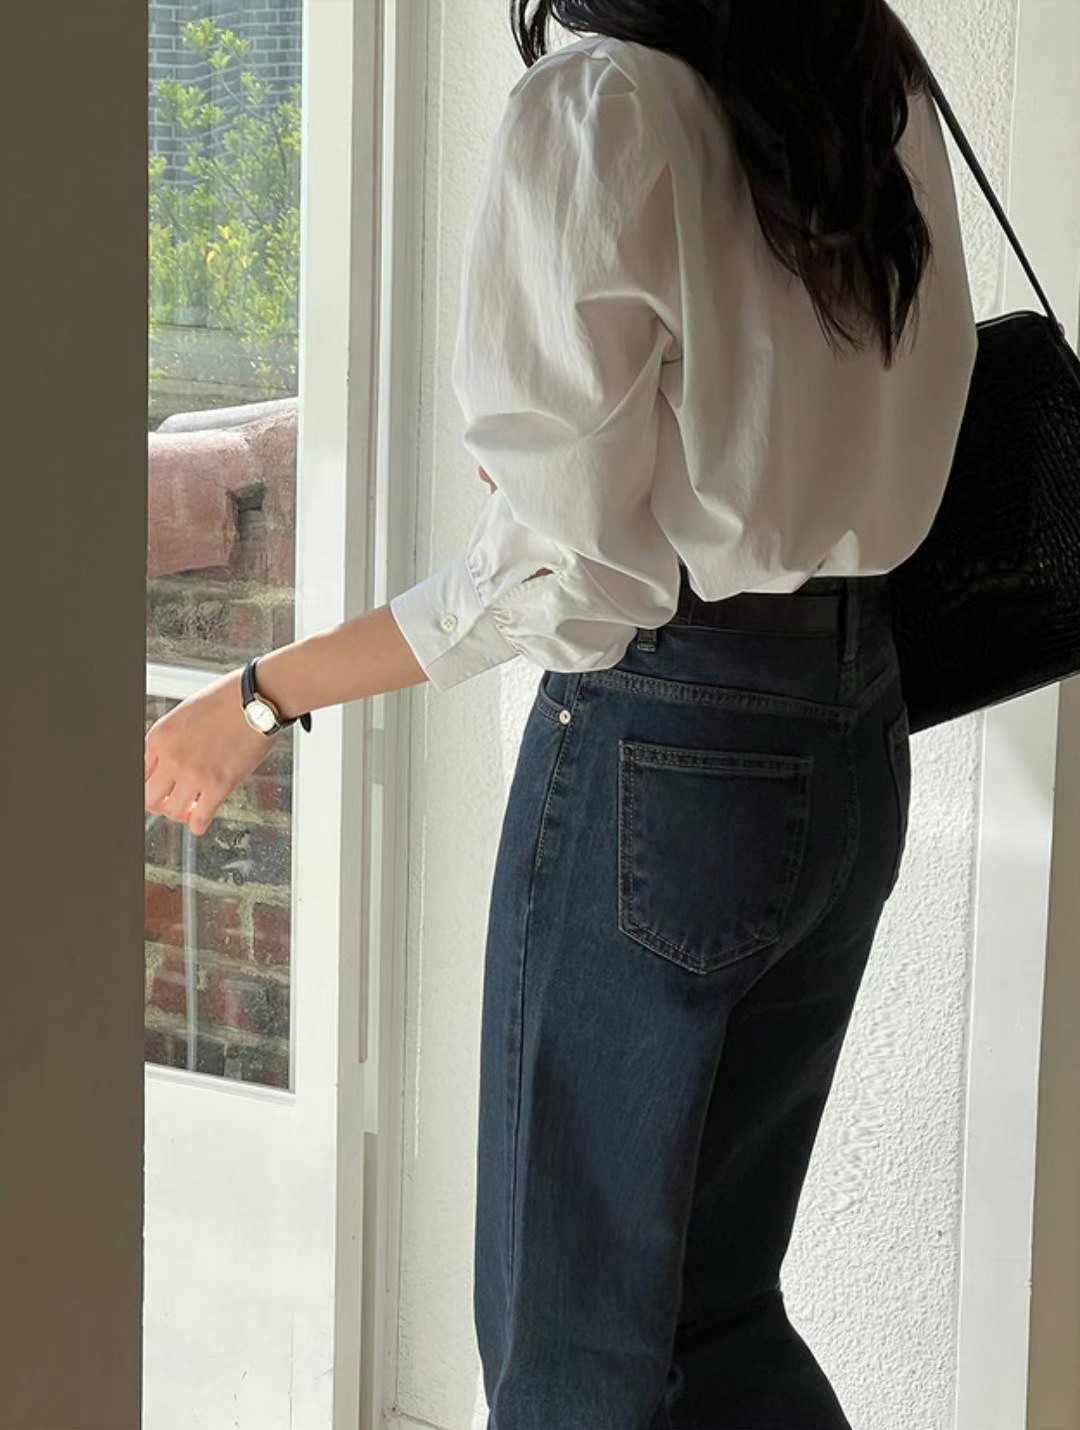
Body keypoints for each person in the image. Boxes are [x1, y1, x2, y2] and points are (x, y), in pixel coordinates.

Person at [144, 2, 979, 1424]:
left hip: (671, 747)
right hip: (853, 730)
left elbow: (568, 580)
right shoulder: (866, 65)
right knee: (718, 1315)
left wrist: (262, 695)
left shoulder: (602, 108)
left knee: (572, 1348)